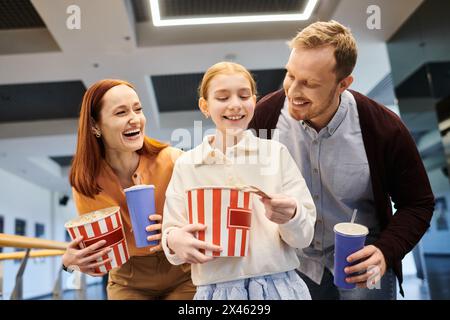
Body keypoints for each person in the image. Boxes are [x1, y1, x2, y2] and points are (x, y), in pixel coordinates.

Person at [248, 20, 435, 300]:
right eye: (290, 76)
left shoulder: (384, 128)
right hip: (292, 257)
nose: (293, 92)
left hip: (360, 255)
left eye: (309, 84)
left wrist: (386, 250)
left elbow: (418, 203)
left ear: (343, 84)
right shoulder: (265, 117)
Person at [161, 62, 316, 300]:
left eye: (244, 96)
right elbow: (171, 234)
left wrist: (293, 215)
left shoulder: (276, 154)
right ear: (205, 106)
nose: (235, 104)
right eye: (222, 97)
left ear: (254, 101)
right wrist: (173, 240)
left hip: (279, 287)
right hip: (215, 292)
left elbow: (304, 237)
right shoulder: (187, 165)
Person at [62, 79, 195, 300]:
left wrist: (173, 230)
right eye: (121, 112)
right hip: (127, 279)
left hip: (184, 272)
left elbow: (205, 218)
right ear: (95, 126)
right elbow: (98, 259)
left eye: (138, 109)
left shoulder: (173, 161)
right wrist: (70, 264)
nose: (135, 119)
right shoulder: (86, 183)